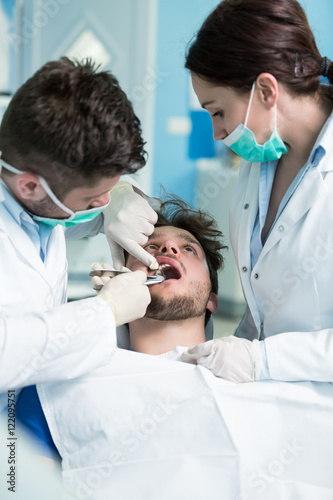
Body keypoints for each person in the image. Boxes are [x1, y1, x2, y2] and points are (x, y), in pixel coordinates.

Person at [181, 0, 333, 383]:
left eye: (217, 111)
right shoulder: (261, 158)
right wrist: (235, 353)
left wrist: (261, 361)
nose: (216, 133)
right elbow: (265, 303)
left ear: (266, 90)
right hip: (272, 401)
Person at [0, 57, 160, 409]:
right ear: (30, 186)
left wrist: (121, 197)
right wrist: (105, 313)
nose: (102, 202)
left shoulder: (37, 202)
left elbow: (69, 217)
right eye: (92, 198)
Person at [16, 195, 226, 460]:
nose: (169, 247)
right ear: (119, 279)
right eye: (149, 248)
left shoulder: (240, 379)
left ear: (212, 301)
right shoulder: (56, 392)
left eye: (189, 250)